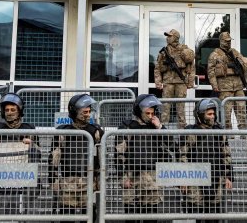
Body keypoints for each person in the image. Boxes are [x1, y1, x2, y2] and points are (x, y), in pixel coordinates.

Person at [0, 92, 40, 217]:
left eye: (13, 109)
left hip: (22, 176)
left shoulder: (29, 128)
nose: (9, 112)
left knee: (21, 211)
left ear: (19, 110)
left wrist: (31, 146)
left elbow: (38, 155)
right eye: (6, 110)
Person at [114, 94, 170, 223]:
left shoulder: (157, 127)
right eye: (147, 113)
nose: (150, 116)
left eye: (152, 113)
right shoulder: (127, 126)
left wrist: (160, 127)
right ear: (139, 111)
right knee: (131, 215)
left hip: (152, 176)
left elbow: (171, 145)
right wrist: (123, 177)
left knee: (150, 216)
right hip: (132, 176)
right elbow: (119, 154)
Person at [180, 97, 233, 220]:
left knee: (213, 214)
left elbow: (226, 154)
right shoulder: (190, 131)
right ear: (200, 115)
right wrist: (183, 179)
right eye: (209, 114)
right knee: (196, 212)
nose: (212, 116)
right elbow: (183, 155)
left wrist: (229, 176)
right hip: (195, 177)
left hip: (216, 176)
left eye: (213, 113)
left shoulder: (219, 131)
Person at [52, 93, 103, 216]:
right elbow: (54, 157)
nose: (88, 114)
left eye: (89, 111)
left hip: (88, 180)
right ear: (75, 112)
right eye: (84, 112)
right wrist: (53, 180)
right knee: (67, 214)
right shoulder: (63, 131)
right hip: (67, 180)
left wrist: (99, 180)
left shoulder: (95, 131)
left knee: (89, 215)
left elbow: (100, 158)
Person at [206, 32, 247, 129]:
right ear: (221, 41)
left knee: (241, 111)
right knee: (226, 113)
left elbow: (243, 65)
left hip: (238, 86)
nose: (228, 43)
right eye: (226, 41)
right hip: (224, 88)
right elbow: (211, 71)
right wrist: (214, 86)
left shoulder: (235, 52)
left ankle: (244, 133)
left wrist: (245, 80)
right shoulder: (215, 54)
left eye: (229, 41)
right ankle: (228, 135)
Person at [155, 29, 196, 126]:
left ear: (175, 38)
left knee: (180, 108)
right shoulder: (164, 52)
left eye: (170, 36)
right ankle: (163, 132)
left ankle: (182, 133)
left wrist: (190, 82)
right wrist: (158, 82)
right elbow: (157, 68)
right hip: (168, 82)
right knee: (165, 107)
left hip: (180, 82)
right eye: (167, 36)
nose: (167, 38)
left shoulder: (185, 51)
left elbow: (192, 67)